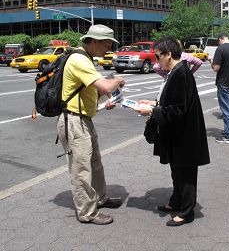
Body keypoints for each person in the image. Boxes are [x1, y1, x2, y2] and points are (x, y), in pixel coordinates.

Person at [133, 36, 210, 226]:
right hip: (178, 133)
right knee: (177, 171)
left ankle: (187, 212)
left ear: (168, 54)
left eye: (158, 56)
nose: (156, 60)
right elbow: (174, 101)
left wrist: (151, 110)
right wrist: (154, 103)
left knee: (186, 174)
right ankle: (177, 201)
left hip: (186, 135)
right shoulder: (176, 71)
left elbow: (178, 109)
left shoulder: (181, 73)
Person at [57, 24, 125, 225]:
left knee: (94, 163)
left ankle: (100, 199)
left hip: (84, 119)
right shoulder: (79, 59)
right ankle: (87, 212)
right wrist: (118, 80)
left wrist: (107, 100)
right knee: (81, 169)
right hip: (74, 121)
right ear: (93, 41)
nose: (109, 49)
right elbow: (104, 85)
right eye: (107, 44)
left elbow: (92, 90)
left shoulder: (86, 58)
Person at [209, 32, 229, 143]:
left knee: (227, 109)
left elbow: (216, 68)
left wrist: (211, 61)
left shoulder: (221, 49)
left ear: (220, 39)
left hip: (224, 82)